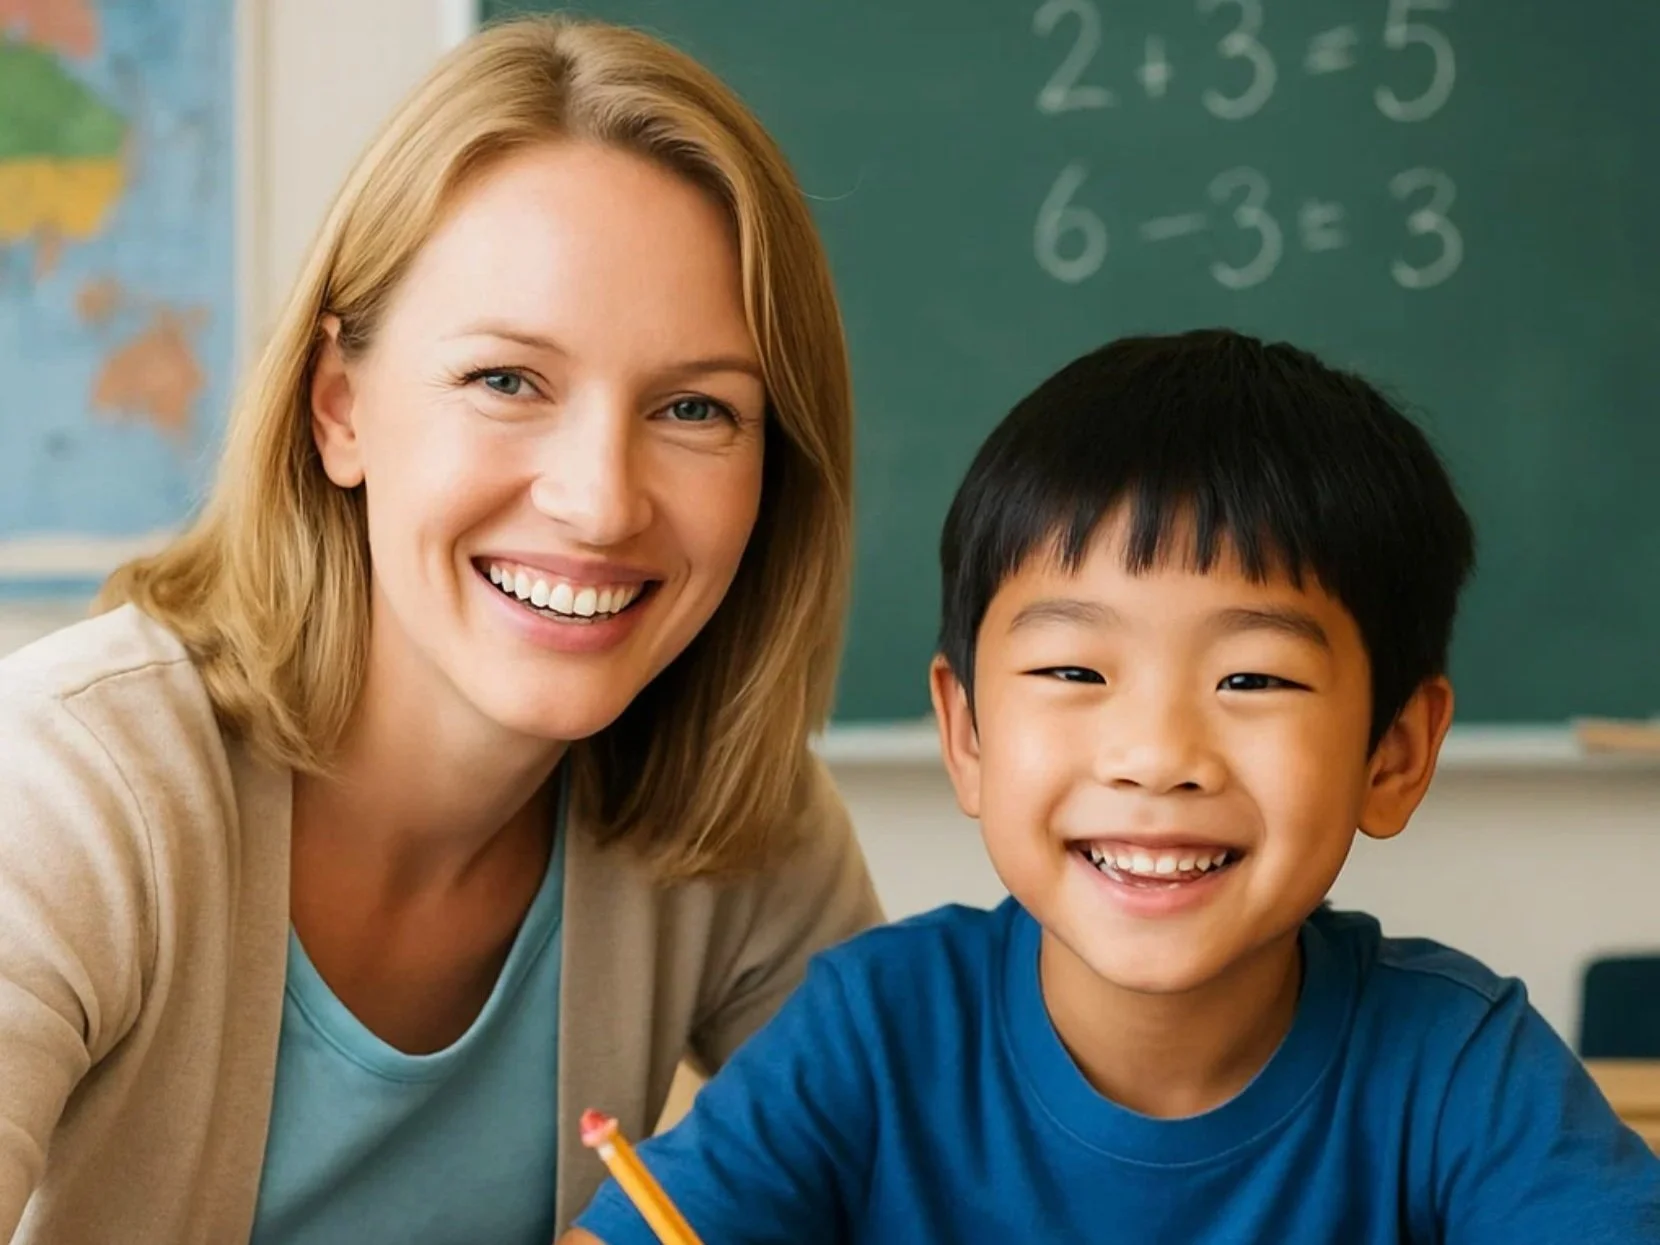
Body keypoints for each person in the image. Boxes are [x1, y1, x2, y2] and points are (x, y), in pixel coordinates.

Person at [0, 16, 883, 1244]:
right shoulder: (63, 783)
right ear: (340, 406)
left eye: (694, 408)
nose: (600, 499)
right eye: (507, 381)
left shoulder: (737, 829)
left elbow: (935, 1180)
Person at [567, 330, 1660, 1244]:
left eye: (1254, 677)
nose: (1154, 753)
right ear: (968, 734)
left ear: (1395, 754)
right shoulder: (875, 1033)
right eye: (1073, 671)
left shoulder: (1459, 1068)